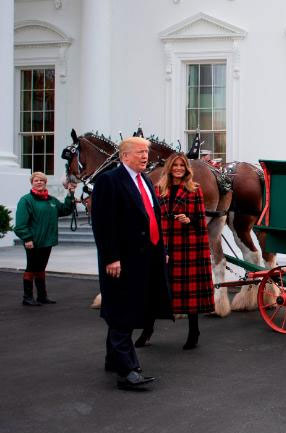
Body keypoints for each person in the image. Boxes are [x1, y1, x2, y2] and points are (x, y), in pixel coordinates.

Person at [91, 136, 173, 390]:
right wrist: (111, 257)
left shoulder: (145, 181)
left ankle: (112, 359)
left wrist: (161, 250)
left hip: (146, 258)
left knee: (125, 308)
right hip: (122, 260)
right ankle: (127, 372)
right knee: (122, 312)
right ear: (124, 156)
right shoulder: (108, 181)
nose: (145, 156)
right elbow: (103, 224)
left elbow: (152, 217)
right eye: (139, 152)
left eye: (146, 152)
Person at [145, 153, 214, 350]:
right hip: (164, 244)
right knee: (156, 289)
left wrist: (189, 220)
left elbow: (201, 222)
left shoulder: (194, 190)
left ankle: (194, 332)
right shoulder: (159, 190)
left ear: (186, 169)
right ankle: (147, 330)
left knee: (188, 291)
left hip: (186, 246)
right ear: (169, 167)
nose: (178, 168)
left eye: (181, 166)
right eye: (175, 165)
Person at [14, 172, 76, 306]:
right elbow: (20, 224)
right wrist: (27, 238)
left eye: (42, 180)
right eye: (36, 180)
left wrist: (70, 194)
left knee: (41, 268)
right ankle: (27, 297)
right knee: (31, 268)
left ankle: (42, 296)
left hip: (47, 241)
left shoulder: (51, 200)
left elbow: (65, 210)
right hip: (33, 242)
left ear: (45, 182)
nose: (39, 182)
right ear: (32, 183)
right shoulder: (26, 200)